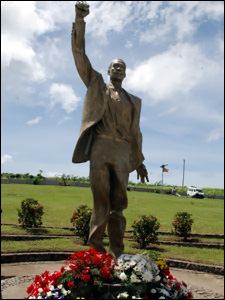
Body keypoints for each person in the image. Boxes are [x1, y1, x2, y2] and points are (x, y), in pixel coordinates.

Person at [71, 1, 149, 258]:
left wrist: (140, 162)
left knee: (119, 205)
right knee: (100, 202)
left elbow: (135, 133)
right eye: (115, 65)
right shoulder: (97, 86)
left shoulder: (133, 102)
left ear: (125, 74)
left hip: (124, 152)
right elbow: (80, 56)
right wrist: (80, 21)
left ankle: (117, 254)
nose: (118, 69)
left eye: (122, 67)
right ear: (108, 70)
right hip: (101, 147)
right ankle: (95, 254)